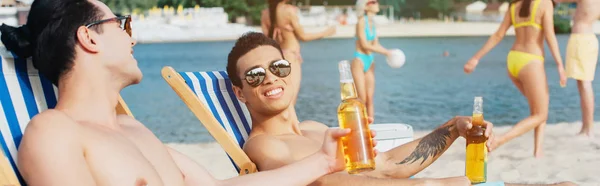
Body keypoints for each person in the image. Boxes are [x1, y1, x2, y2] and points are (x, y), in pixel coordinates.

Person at [0, 0, 365, 185]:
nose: (134, 36)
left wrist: (323, 162)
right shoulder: (53, 132)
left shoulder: (135, 131)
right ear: (89, 36)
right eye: (123, 23)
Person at [228, 32, 575, 186]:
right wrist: (430, 185)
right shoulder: (261, 144)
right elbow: (320, 182)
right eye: (254, 75)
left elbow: (389, 166)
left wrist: (452, 128)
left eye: (278, 67)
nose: (270, 78)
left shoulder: (317, 128)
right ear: (240, 93)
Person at [464, 0, 566, 158]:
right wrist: (560, 64)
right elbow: (550, 35)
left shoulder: (514, 6)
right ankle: (499, 140)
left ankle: (538, 152)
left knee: (539, 107)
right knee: (541, 113)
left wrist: (475, 58)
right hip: (531, 61)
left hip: (513, 60)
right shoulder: (545, 3)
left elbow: (498, 35)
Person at [554, 0, 600, 138]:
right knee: (582, 84)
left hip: (582, 39)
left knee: (585, 84)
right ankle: (585, 126)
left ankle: (589, 128)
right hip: (585, 38)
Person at [351, 0, 392, 122]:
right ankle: (359, 125)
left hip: (370, 60)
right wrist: (385, 52)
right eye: (373, 1)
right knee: (361, 98)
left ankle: (371, 128)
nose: (377, 3)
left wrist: (389, 52)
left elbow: (376, 44)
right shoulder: (361, 22)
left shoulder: (372, 23)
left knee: (370, 99)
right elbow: (364, 44)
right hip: (359, 60)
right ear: (366, 6)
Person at [261, 0, 336, 64]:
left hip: (276, 55)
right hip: (291, 53)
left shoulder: (265, 13)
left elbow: (267, 39)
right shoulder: (288, 10)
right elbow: (303, 36)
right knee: (294, 81)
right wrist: (326, 32)